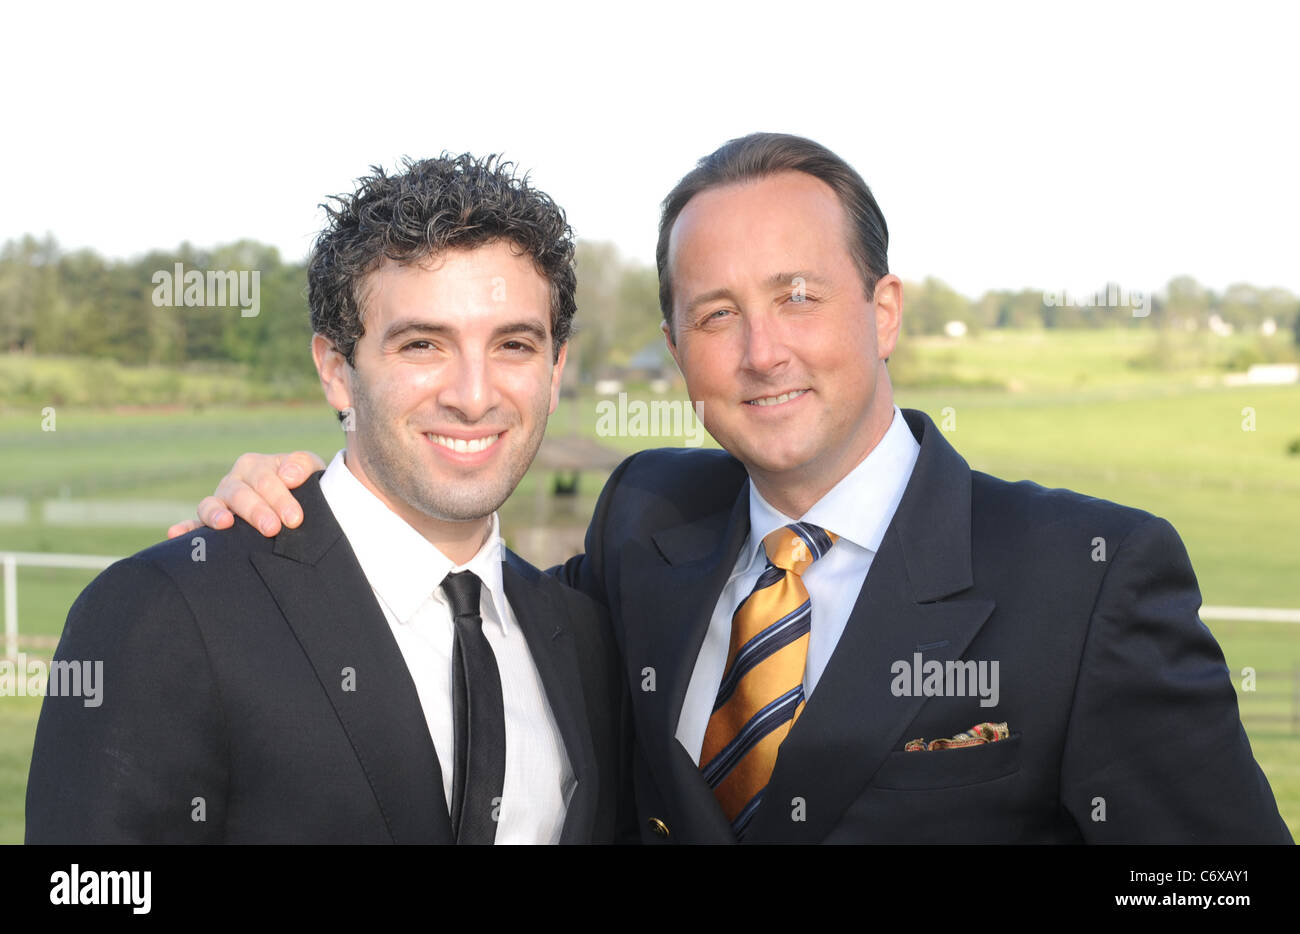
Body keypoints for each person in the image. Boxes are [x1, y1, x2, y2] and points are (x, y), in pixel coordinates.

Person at [171, 134, 1291, 844]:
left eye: (798, 296)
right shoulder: (648, 524)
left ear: (883, 308)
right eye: (715, 314)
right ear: (674, 345)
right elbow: (454, 590)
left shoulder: (1086, 576)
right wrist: (311, 509)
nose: (761, 352)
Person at [27, 153, 633, 844]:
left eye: (514, 345)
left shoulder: (585, 641)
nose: (473, 394)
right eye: (423, 345)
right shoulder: (169, 610)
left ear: (555, 370)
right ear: (336, 371)